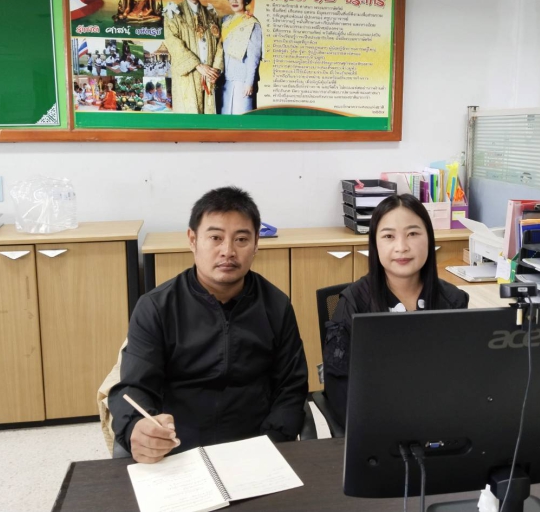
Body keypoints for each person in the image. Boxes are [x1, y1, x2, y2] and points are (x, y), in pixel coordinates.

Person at [108, 187, 308, 463]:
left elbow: (291, 387)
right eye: (215, 237)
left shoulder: (276, 305)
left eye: (241, 239)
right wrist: (136, 428)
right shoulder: (156, 307)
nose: (228, 251)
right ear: (193, 240)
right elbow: (134, 387)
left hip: (257, 447)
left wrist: (272, 443)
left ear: (256, 244)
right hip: (177, 449)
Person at [322, 194, 469, 427]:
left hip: (440, 425)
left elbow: (464, 379)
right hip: (375, 428)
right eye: (389, 236)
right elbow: (339, 389)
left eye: (413, 234)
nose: (402, 247)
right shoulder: (353, 303)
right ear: (375, 244)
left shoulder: (452, 300)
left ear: (429, 239)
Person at [163, 0, 223, 114]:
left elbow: (220, 44)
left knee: (209, 115)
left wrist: (214, 70)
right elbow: (173, 43)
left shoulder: (211, 15)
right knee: (189, 112)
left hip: (209, 74)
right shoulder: (173, 14)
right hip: (188, 74)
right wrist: (198, 65)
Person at [220, 0, 263, 115]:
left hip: (242, 80)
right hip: (225, 79)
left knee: (241, 119)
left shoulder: (252, 23)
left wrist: (249, 82)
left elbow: (254, 56)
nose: (234, 1)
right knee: (225, 119)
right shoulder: (225, 21)